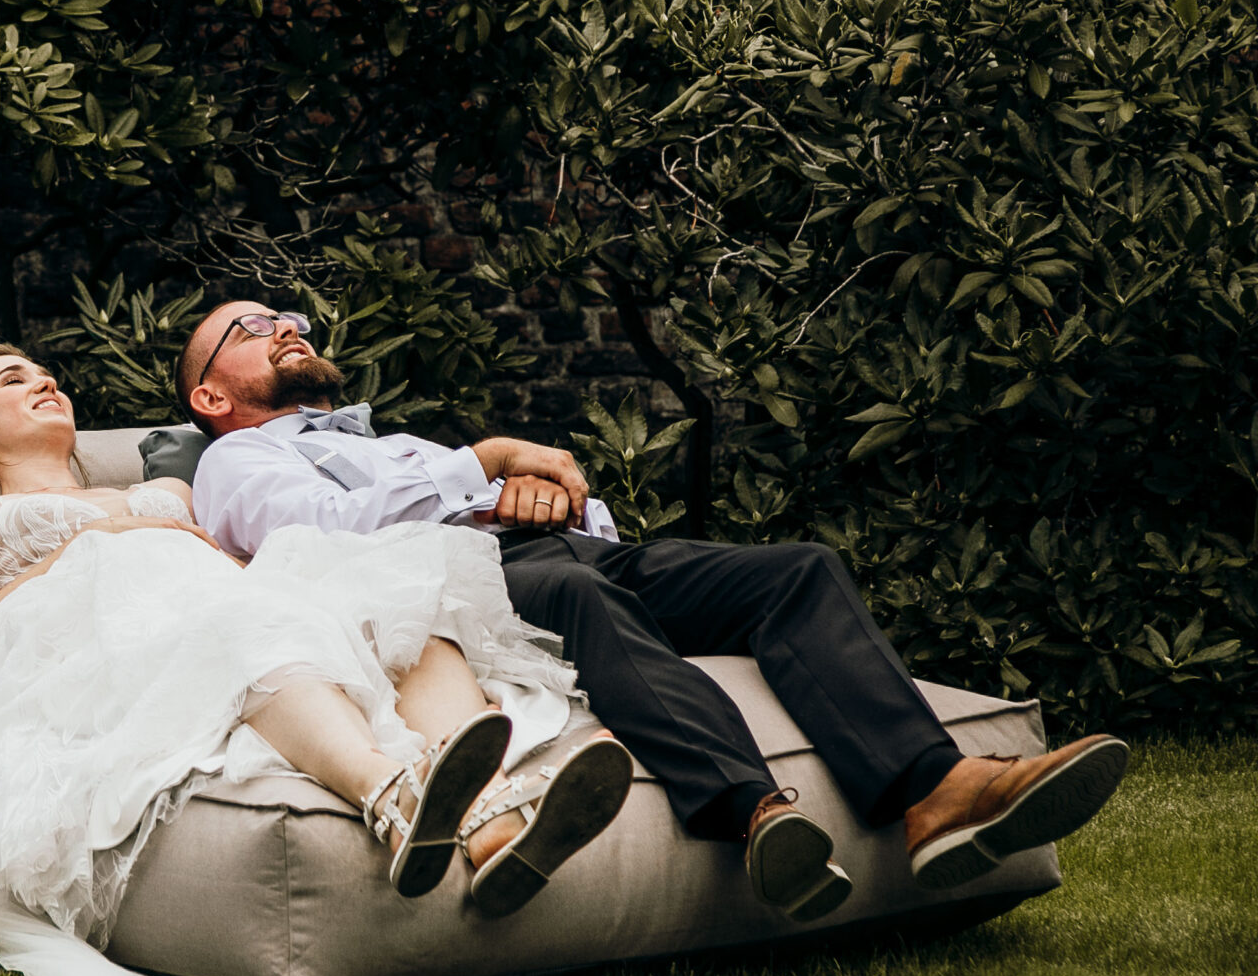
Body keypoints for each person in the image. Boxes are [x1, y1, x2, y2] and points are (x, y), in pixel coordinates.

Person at [0, 344, 632, 976]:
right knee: (239, 628)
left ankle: (489, 819)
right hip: (100, 643)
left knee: (398, 600)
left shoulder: (166, 491)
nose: (45, 382)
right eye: (14, 380)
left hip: (210, 602)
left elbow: (226, 566)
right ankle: (393, 791)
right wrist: (96, 545)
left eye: (45, 373)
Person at [177, 301, 1131, 921]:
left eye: (291, 317)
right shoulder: (235, 461)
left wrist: (556, 498)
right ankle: (755, 812)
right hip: (470, 584)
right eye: (254, 327)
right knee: (584, 596)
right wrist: (489, 462)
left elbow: (574, 514)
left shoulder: (398, 444)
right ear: (210, 392)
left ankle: (936, 792)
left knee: (796, 570)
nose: (287, 326)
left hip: (574, 548)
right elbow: (321, 534)